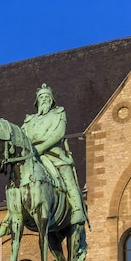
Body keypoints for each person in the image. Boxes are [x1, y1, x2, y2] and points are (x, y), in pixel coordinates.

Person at [20, 84, 87, 226]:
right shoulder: (29, 120)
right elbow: (21, 138)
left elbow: (58, 134)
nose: (44, 100)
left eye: (47, 97)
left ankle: (77, 210)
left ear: (51, 100)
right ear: (37, 101)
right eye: (42, 97)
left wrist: (40, 148)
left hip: (53, 154)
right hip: (32, 157)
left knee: (67, 177)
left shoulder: (58, 113)